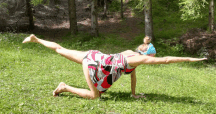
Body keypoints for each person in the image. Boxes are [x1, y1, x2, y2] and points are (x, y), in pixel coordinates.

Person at [22, 34, 206, 100]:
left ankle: (35, 39)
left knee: (61, 49)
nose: (154, 59)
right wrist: (190, 59)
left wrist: (133, 94)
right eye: (153, 56)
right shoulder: (141, 59)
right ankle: (64, 87)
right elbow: (166, 60)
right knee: (95, 96)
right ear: (149, 54)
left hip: (94, 55)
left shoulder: (129, 54)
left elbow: (132, 76)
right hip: (93, 66)